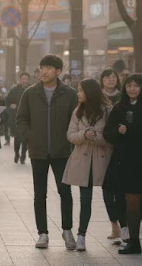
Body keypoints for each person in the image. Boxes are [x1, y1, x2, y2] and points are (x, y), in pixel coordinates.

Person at [16, 55, 78, 250]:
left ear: (58, 71)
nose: (44, 71)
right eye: (42, 67)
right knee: (39, 194)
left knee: (65, 191)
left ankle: (67, 230)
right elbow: (21, 119)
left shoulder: (69, 94)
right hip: (38, 151)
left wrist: (71, 142)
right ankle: (42, 234)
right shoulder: (30, 93)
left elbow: (76, 120)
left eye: (49, 68)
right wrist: (29, 136)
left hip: (62, 152)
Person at [61, 78, 111, 252]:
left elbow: (109, 139)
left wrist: (95, 136)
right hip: (82, 160)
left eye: (81, 90)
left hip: (100, 159)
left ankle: (121, 228)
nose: (78, 93)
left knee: (110, 196)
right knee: (86, 199)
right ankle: (82, 236)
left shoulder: (106, 112)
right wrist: (84, 134)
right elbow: (70, 135)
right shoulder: (77, 112)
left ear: (89, 92)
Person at [104, 73, 142, 255]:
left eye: (136, 85)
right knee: (131, 201)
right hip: (125, 162)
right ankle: (133, 241)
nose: (132, 89)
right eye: (129, 85)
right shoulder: (119, 107)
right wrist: (118, 130)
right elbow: (107, 132)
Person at [98, 68, 126, 243]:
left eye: (113, 77)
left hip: (121, 148)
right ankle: (114, 224)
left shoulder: (124, 98)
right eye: (106, 77)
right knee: (106, 187)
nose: (110, 79)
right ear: (101, 80)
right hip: (103, 148)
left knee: (121, 188)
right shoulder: (96, 98)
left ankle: (125, 225)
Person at [6, 72, 31, 164]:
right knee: (17, 138)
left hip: (28, 118)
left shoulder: (32, 90)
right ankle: (16, 153)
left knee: (25, 138)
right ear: (20, 80)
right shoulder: (14, 90)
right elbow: (7, 101)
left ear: (29, 80)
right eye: (23, 79)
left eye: (26, 79)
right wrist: (11, 106)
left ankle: (23, 156)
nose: (24, 81)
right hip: (17, 118)